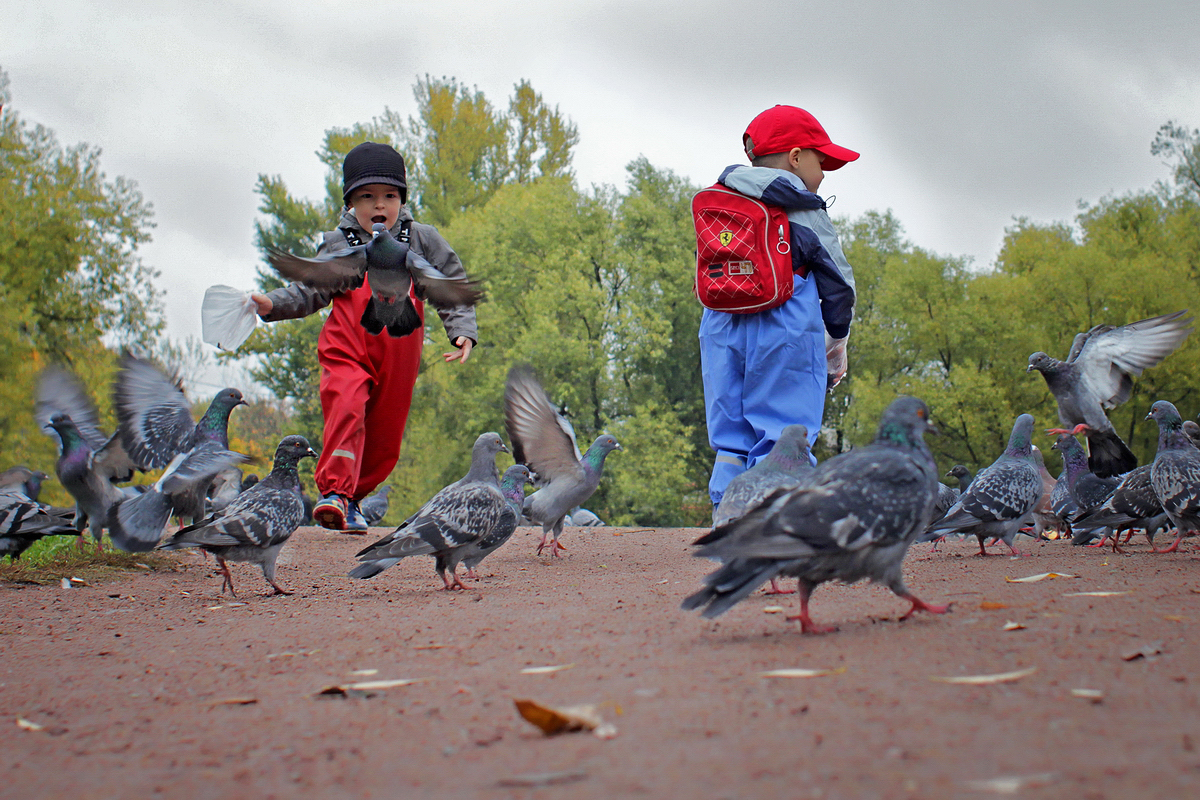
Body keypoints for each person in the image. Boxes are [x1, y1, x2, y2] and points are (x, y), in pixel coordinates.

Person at [252, 142, 477, 532]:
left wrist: (462, 332)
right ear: (350, 203)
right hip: (348, 348)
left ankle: (354, 498)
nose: (379, 205)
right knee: (347, 404)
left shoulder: (422, 239)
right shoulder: (340, 243)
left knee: (385, 437)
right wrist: (272, 304)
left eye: (389, 196)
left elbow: (450, 285)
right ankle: (335, 492)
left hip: (399, 355)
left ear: (402, 199)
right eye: (367, 197)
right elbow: (311, 290)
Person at [699, 105, 858, 512]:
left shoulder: (721, 198)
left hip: (719, 325)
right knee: (783, 436)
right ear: (795, 157)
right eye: (820, 160)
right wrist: (837, 341)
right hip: (784, 327)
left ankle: (728, 520)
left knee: (732, 439)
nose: (823, 173)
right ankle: (778, 532)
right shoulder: (803, 208)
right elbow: (838, 284)